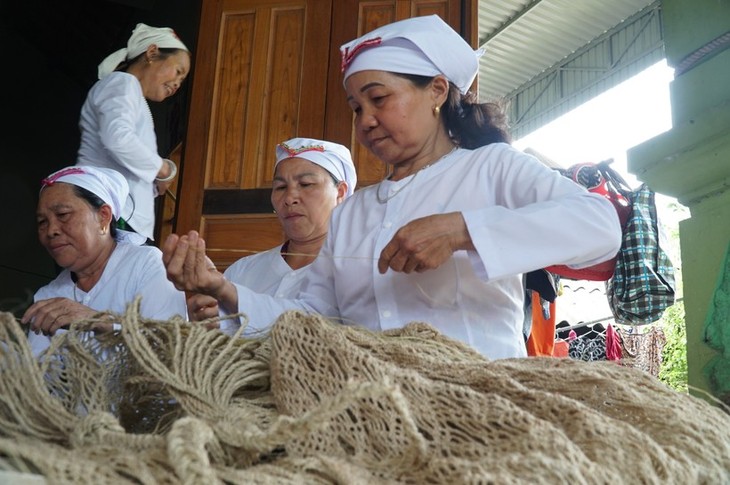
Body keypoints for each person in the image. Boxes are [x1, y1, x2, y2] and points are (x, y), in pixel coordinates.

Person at [163, 15, 622, 359]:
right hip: (374, 406)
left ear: (438, 90)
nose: (365, 121)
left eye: (379, 99)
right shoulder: (351, 213)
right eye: (356, 107)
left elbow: (600, 228)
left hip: (479, 397)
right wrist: (223, 289)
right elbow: (313, 319)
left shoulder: (491, 168)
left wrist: (463, 230)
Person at [184, 137, 356, 335]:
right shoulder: (243, 270)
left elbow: (320, 333)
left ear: (340, 193)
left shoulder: (354, 271)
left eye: (306, 184)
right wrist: (206, 319)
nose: (290, 198)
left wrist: (227, 292)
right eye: (281, 187)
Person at [22, 165, 187, 357]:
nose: (51, 231)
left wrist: (98, 320)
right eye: (42, 222)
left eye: (63, 215)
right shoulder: (48, 296)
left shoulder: (145, 263)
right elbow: (40, 376)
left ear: (103, 217)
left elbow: (172, 348)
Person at [76, 23, 191, 243]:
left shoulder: (132, 96)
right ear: (151, 53)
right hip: (113, 215)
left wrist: (156, 182)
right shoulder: (123, 83)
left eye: (182, 81)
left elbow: (127, 165)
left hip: (123, 217)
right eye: (178, 71)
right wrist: (162, 168)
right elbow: (118, 138)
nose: (177, 83)